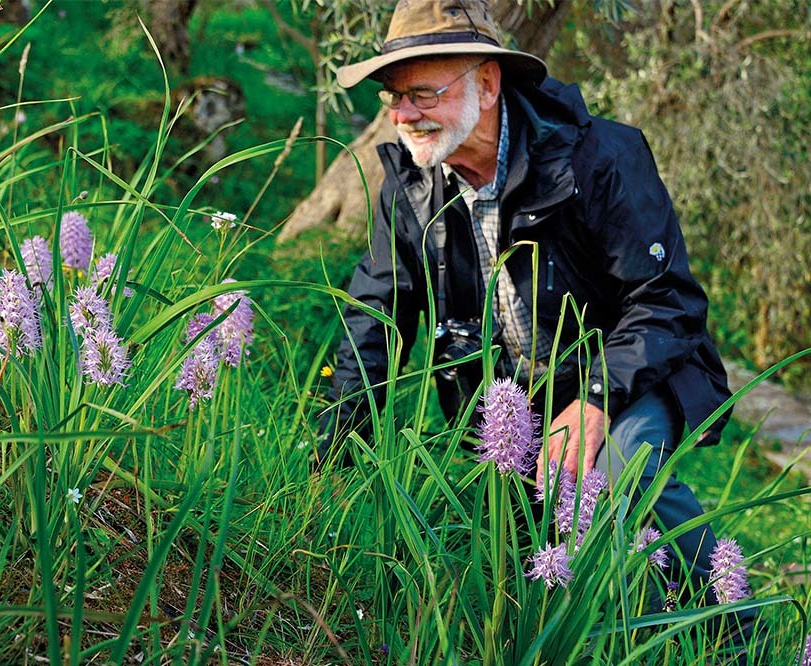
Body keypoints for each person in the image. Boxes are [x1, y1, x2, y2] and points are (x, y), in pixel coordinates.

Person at [319, 0, 748, 635]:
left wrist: (597, 398)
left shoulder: (600, 159)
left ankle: (735, 634)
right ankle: (610, 638)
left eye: (423, 94)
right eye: (394, 97)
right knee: (525, 569)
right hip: (509, 407)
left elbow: (666, 304)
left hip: (632, 376)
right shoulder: (409, 191)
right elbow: (373, 323)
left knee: (621, 465)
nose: (403, 116)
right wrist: (330, 460)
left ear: (487, 84)